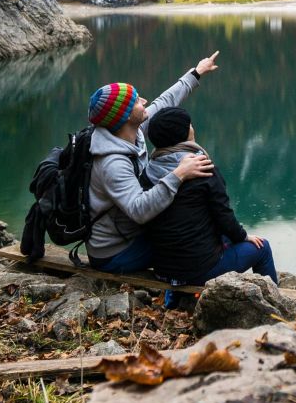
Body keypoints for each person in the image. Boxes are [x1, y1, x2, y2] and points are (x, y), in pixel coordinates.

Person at [84, 51, 220, 273]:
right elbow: (139, 210)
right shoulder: (112, 163)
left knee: (192, 227)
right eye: (137, 101)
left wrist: (196, 72)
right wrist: (179, 173)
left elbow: (165, 101)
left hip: (130, 232)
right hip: (115, 252)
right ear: (126, 115)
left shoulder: (130, 130)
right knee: (193, 239)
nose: (144, 101)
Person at [141, 105, 277, 287]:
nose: (192, 128)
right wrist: (244, 237)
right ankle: (277, 306)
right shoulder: (202, 170)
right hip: (198, 272)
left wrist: (237, 235)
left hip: (163, 270)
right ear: (182, 134)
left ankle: (173, 298)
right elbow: (223, 215)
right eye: (189, 125)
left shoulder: (149, 170)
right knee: (262, 248)